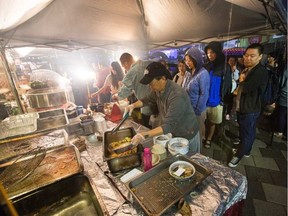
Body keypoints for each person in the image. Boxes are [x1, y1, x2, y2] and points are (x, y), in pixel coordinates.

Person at [125, 62, 200, 153]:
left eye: (151, 83)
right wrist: (133, 105)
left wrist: (143, 135)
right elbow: (147, 99)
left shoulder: (176, 95)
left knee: (189, 160)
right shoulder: (158, 89)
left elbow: (167, 126)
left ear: (163, 78)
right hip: (175, 132)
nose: (150, 87)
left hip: (187, 133)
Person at [228, 43, 269, 168]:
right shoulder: (248, 69)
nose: (248, 58)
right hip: (244, 107)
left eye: (252, 56)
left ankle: (238, 156)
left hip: (250, 109)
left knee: (247, 133)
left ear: (260, 57)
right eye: (246, 55)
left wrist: (241, 81)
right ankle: (247, 150)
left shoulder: (261, 71)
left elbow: (246, 88)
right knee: (246, 131)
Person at [114, 53, 154, 128]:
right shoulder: (148, 63)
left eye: (123, 66)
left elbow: (125, 92)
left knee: (149, 129)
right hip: (159, 104)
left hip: (146, 106)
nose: (124, 68)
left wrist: (116, 96)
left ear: (125, 63)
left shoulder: (131, 73)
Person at [204, 41, 232, 148]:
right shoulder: (206, 66)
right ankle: (203, 135)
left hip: (216, 101)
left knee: (213, 122)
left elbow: (227, 85)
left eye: (212, 52)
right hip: (204, 100)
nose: (209, 55)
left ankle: (209, 139)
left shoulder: (225, 67)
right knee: (204, 121)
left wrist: (222, 99)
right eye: (208, 52)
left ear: (218, 52)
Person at [184, 47, 210, 144]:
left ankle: (198, 154)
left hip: (197, 110)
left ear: (197, 59)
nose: (188, 62)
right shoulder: (188, 73)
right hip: (188, 109)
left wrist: (197, 112)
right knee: (190, 133)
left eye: (190, 60)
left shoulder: (203, 73)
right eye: (186, 60)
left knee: (197, 134)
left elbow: (204, 94)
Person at [273, 65, 287, 139]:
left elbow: (281, 82)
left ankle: (280, 131)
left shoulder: (286, 69)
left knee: (282, 114)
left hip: (285, 95)